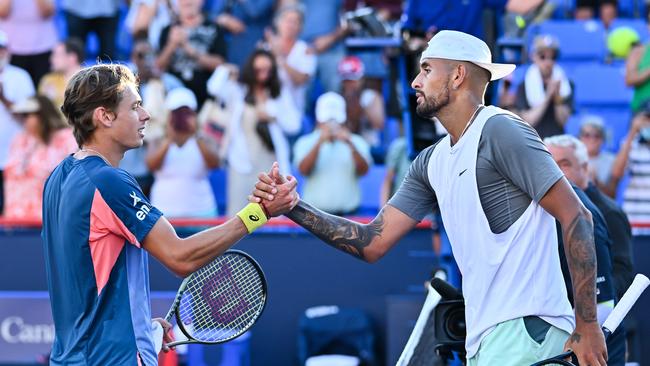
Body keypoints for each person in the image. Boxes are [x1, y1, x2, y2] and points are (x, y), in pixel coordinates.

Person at [252, 30, 607, 365]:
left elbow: (577, 216)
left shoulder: (501, 128)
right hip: (486, 338)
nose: (414, 82)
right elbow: (371, 242)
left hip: (529, 330)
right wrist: (293, 206)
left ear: (457, 76)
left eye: (425, 69)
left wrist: (587, 324)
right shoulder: (430, 162)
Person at [42, 64, 298, 365]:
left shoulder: (57, 177)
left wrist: (137, 322)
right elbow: (181, 257)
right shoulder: (109, 181)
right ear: (105, 116)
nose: (146, 115)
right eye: (135, 107)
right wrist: (261, 211)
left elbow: (83, 275)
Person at [545, 134, 631, 366]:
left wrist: (589, 302)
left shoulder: (607, 212)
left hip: (600, 331)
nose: (556, 172)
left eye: (564, 164)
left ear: (585, 168)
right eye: (549, 164)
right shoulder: (548, 211)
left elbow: (622, 273)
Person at [207, 49, 300, 216]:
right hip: (241, 162)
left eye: (267, 70)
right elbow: (213, 88)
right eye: (259, 70)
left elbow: (294, 125)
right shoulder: (238, 90)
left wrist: (273, 117)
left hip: (271, 163)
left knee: (271, 211)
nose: (263, 75)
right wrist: (225, 69)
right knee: (238, 212)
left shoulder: (279, 93)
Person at [293, 92, 371, 215]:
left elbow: (364, 171)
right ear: (319, 119)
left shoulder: (356, 142)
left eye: (335, 120)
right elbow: (303, 171)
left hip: (349, 216)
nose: (331, 124)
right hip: (313, 215)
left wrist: (350, 144)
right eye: (327, 119)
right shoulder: (305, 142)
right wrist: (319, 143)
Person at [146, 87, 220, 217]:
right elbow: (151, 165)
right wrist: (169, 138)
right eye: (177, 114)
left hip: (201, 213)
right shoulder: (158, 139)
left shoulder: (205, 139)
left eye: (186, 113)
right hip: (164, 214)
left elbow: (215, 164)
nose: (182, 119)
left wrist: (196, 135)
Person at [4, 95, 76, 219]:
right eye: (22, 115)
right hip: (14, 220)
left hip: (49, 221)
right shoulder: (20, 140)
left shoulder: (66, 139)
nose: (23, 119)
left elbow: (73, 180)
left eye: (27, 115)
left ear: (43, 115)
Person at [157, 0, 227, 108]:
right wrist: (172, 45)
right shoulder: (168, 30)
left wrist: (188, 48)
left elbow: (220, 64)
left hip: (205, 92)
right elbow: (158, 67)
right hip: (173, 91)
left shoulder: (214, 28)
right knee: (154, 87)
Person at [0, 30, 36, 214]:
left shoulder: (20, 76)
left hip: (14, 157)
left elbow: (30, 116)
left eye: (1, 49)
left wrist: (4, 98)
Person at [265, 3, 316, 120]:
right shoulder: (266, 47)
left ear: (301, 27)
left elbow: (301, 80)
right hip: (268, 110)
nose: (291, 25)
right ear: (278, 22)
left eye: (295, 22)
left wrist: (279, 58)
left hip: (294, 113)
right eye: (287, 20)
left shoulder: (306, 50)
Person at [515, 34, 573, 139]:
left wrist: (557, 97)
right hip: (533, 140)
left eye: (553, 57)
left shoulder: (566, 84)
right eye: (543, 56)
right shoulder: (524, 86)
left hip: (557, 141)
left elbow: (563, 121)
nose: (548, 62)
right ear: (533, 57)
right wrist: (547, 97)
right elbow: (528, 121)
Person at [0, 0, 58, 87]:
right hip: (12, 49)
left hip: (42, 48)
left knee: (43, 90)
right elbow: (3, 12)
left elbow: (48, 12)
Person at [609, 113, 650, 224]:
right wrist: (632, 132)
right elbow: (616, 173)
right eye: (647, 119)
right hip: (635, 220)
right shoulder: (630, 144)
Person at [338, 56, 385, 153]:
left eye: (353, 80)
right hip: (345, 147)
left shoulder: (371, 96)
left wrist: (360, 107)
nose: (350, 84)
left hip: (370, 148)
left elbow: (379, 124)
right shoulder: (338, 99)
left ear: (361, 79)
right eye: (346, 80)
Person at [38, 38, 85, 111]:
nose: (51, 59)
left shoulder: (90, 81)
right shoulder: (48, 80)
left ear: (72, 58)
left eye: (56, 55)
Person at [578, 115, 616, 194]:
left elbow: (612, 195)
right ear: (580, 137)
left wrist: (596, 181)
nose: (592, 140)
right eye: (587, 135)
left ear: (603, 139)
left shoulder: (612, 160)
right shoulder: (572, 158)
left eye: (597, 136)